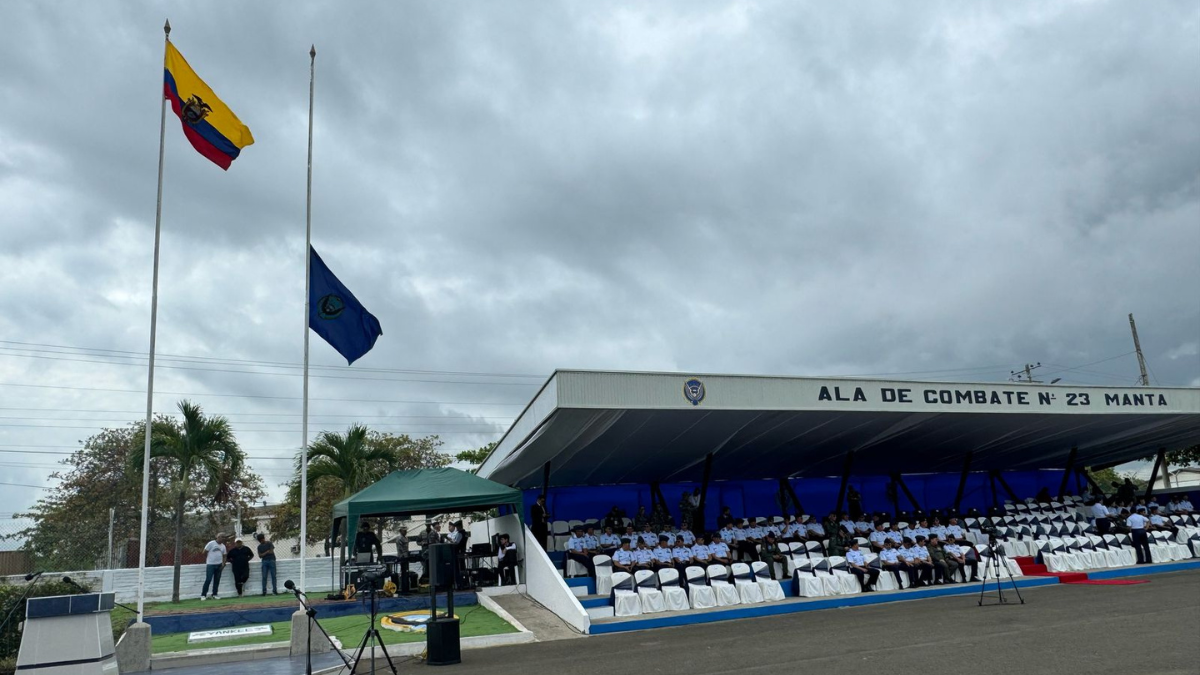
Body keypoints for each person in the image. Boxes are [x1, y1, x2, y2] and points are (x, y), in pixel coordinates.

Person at [200, 532, 228, 600]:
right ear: (217, 537)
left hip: (219, 565)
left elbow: (224, 556)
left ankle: (214, 594)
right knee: (208, 579)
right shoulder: (211, 543)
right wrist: (209, 559)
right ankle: (203, 595)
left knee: (217, 580)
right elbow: (204, 552)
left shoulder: (223, 546)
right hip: (211, 565)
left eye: (224, 537)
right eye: (221, 537)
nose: (222, 538)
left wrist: (223, 563)